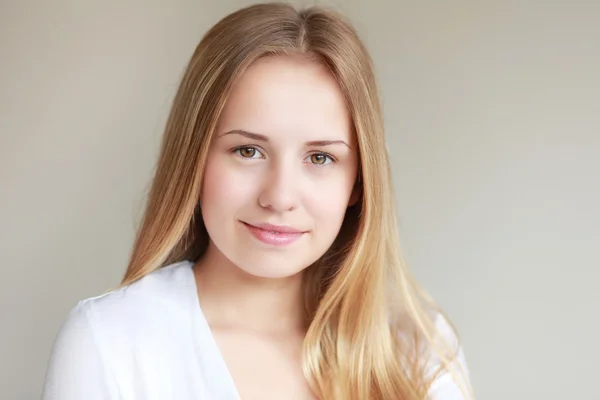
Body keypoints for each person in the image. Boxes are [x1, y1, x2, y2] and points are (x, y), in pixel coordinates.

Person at [42, 3, 472, 399]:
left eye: (320, 157)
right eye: (248, 151)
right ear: (194, 158)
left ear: (359, 182)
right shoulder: (111, 341)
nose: (280, 197)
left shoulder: (420, 350)